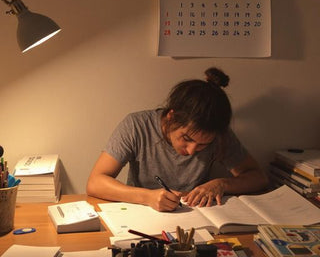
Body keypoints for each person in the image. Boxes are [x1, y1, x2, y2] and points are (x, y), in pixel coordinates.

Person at [87, 67, 269, 212]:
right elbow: (95, 182)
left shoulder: (219, 134)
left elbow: (257, 178)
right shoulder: (137, 125)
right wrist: (147, 197)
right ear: (171, 117)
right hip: (140, 216)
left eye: (203, 145)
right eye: (186, 138)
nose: (191, 151)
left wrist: (221, 183)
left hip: (195, 219)